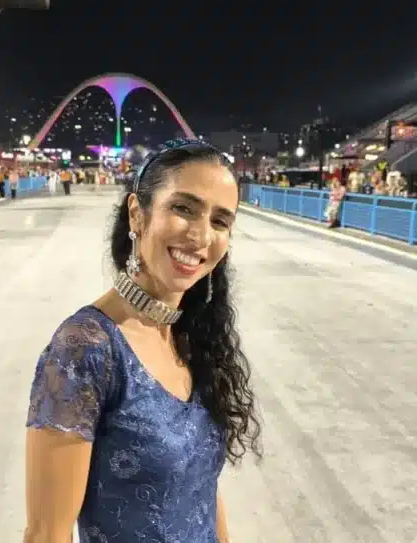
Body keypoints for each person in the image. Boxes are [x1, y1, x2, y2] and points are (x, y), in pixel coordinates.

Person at [24, 139, 262, 543]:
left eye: (220, 221)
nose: (201, 235)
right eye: (183, 208)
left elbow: (199, 489)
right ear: (137, 213)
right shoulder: (86, 349)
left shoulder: (192, 337)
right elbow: (47, 534)